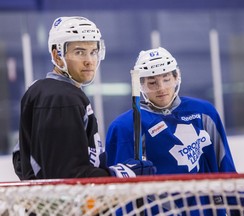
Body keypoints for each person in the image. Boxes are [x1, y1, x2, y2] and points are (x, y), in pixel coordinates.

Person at [105, 47, 244, 215]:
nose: (161, 88)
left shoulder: (203, 113)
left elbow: (225, 173)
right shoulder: (124, 127)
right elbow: (120, 196)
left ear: (176, 77)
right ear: (141, 85)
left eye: (166, 79)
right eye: (152, 83)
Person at [12, 16, 155, 180]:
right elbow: (67, 177)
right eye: (79, 52)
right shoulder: (61, 97)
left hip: (49, 203)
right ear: (57, 55)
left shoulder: (43, 90)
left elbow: (20, 159)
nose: (89, 61)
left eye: (93, 52)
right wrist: (118, 174)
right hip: (64, 205)